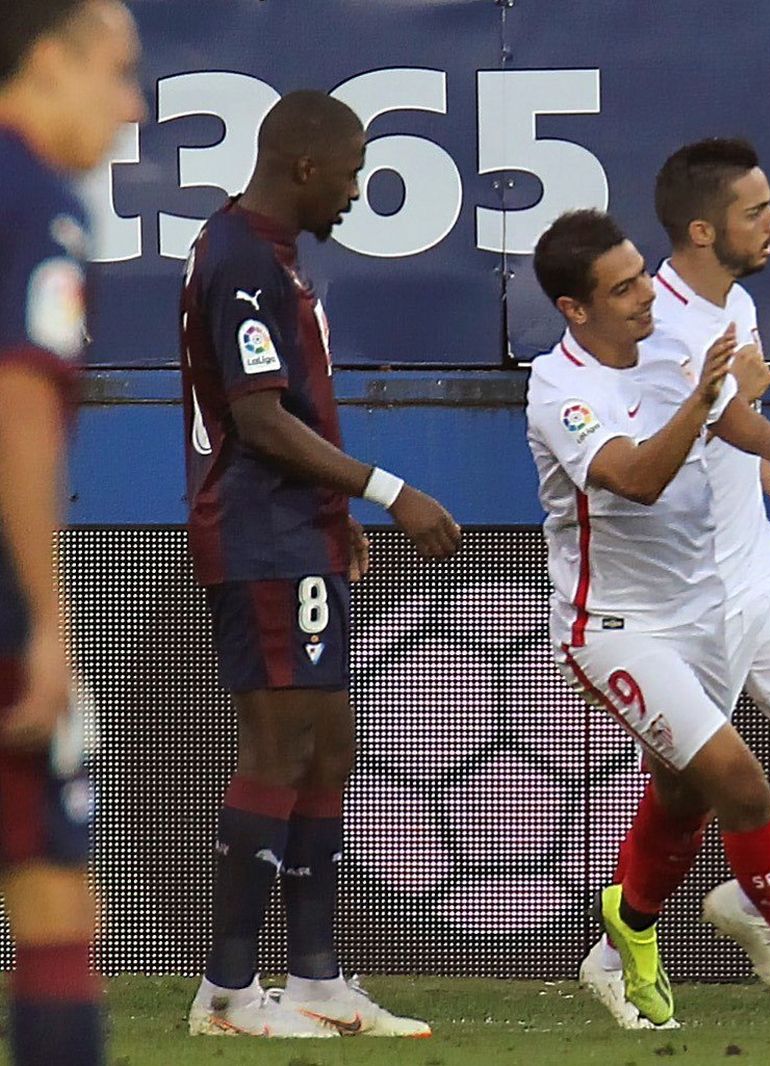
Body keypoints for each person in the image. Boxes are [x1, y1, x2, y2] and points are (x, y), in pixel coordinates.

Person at [528, 209, 770, 1032]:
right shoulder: (561, 389)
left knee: (701, 784)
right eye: (621, 287)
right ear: (574, 310)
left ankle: (628, 921)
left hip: (720, 595)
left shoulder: (672, 337)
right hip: (617, 624)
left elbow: (726, 411)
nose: (643, 296)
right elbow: (633, 478)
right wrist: (700, 401)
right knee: (735, 781)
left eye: (638, 275)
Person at [180, 89, 461, 1038]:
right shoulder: (243, 262)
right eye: (350, 176)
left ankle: (317, 981)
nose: (356, 194)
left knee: (329, 745)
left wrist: (334, 510)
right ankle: (225, 993)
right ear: (303, 167)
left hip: (297, 530)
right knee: (279, 748)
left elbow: (291, 412)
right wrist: (389, 491)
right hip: (258, 536)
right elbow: (259, 420)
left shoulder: (271, 260)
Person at [0, 3, 143, 1063]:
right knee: (53, 894)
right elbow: (15, 403)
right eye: (117, 72)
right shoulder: (33, 196)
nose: (130, 106)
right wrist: (48, 620)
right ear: (48, 62)